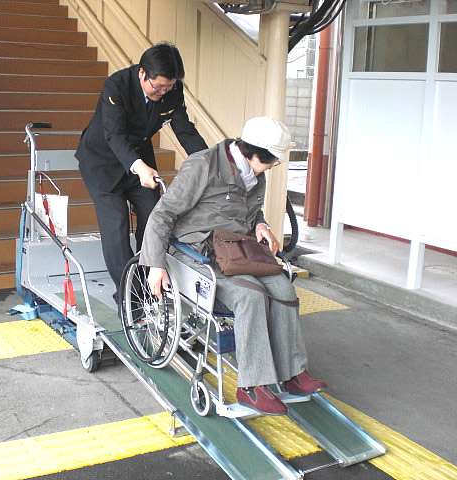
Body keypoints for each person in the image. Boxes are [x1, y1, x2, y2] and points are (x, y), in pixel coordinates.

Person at [139, 116, 326, 415]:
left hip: (236, 250)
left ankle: (292, 373)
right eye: (270, 161)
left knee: (283, 289)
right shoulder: (203, 165)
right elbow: (163, 214)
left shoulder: (255, 174)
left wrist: (262, 225)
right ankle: (251, 386)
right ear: (253, 153)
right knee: (250, 295)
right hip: (197, 251)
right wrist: (155, 264)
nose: (271, 167)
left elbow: (252, 211)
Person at [75, 42, 207, 304]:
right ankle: (129, 296)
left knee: (155, 216)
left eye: (168, 88)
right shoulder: (117, 85)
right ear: (142, 73)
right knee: (116, 224)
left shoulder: (172, 90)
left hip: (140, 160)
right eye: (157, 87)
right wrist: (138, 166)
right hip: (102, 162)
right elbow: (114, 134)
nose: (162, 93)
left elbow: (185, 130)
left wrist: (209, 162)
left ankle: (149, 285)